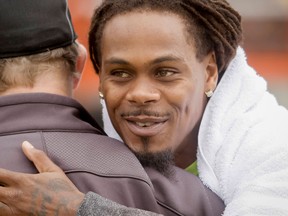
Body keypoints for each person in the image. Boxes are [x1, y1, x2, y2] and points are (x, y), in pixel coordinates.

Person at [1, 0, 287, 215]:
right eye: (120, 73)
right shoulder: (124, 159)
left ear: (210, 72)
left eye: (165, 72)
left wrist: (79, 207)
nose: (140, 94)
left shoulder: (275, 150)